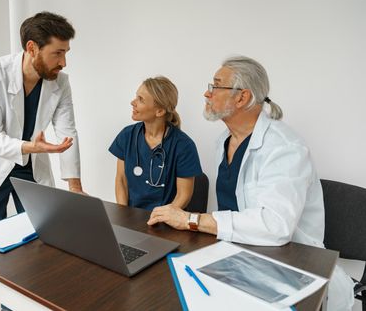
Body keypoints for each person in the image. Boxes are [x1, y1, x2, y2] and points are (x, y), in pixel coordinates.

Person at [147, 56, 354, 310]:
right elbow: (231, 213)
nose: (206, 93)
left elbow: (276, 226)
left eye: (215, 86)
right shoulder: (224, 142)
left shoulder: (284, 147)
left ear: (241, 98)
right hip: (238, 258)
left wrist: (191, 219)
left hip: (290, 265)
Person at [0, 12, 84, 232]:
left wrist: (75, 187)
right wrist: (31, 147)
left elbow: (67, 133)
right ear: (32, 48)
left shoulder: (61, 82)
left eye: (65, 53)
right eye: (57, 53)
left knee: (41, 231)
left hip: (30, 166)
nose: (63, 63)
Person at [109, 76, 202, 211]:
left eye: (140, 99)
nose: (132, 102)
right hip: (131, 217)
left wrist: (162, 217)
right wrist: (124, 214)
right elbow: (121, 180)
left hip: (166, 221)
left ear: (159, 111)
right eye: (136, 97)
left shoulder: (183, 146)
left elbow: (184, 195)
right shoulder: (127, 135)